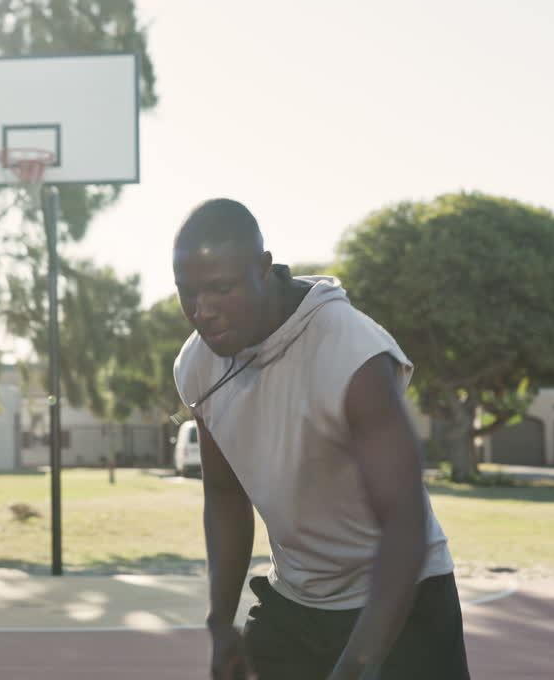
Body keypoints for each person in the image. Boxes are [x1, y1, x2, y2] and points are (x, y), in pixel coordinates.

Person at [171, 199, 469, 680]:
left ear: (263, 270)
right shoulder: (198, 365)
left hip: (399, 601)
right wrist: (220, 620)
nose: (202, 312)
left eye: (220, 289)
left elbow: (405, 518)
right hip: (296, 599)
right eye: (188, 293)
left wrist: (360, 661)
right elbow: (225, 494)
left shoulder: (352, 353)